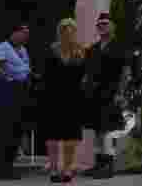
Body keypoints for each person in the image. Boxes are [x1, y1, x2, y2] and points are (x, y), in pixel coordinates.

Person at [81, 13, 131, 180]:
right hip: (94, 95)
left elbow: (125, 73)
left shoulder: (120, 47)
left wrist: (120, 93)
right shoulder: (92, 49)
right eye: (100, 24)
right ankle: (99, 165)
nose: (102, 27)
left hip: (112, 93)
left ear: (112, 27)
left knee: (107, 131)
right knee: (97, 130)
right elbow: (87, 74)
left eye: (105, 24)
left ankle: (108, 166)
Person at [42, 19, 87, 183]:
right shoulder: (52, 50)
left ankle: (67, 169)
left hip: (74, 98)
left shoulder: (80, 51)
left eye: (71, 30)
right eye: (64, 30)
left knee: (71, 136)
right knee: (52, 135)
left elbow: (85, 76)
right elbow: (45, 75)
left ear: (74, 32)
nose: (68, 33)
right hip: (53, 97)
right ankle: (54, 169)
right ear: (60, 32)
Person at [0, 23, 31, 180]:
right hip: (6, 92)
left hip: (21, 92)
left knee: (17, 129)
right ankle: (1, 167)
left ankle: (9, 165)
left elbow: (26, 69)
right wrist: (9, 79)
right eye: (23, 33)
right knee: (5, 130)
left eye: (27, 34)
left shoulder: (23, 50)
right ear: (14, 33)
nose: (26, 37)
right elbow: (0, 68)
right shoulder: (2, 47)